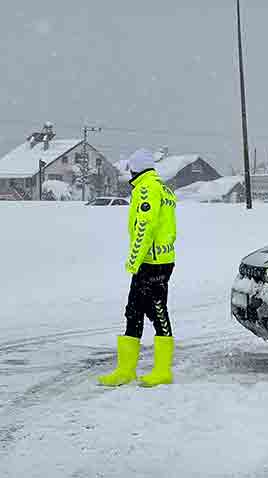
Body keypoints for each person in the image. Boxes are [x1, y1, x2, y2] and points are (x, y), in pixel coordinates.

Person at [98, 149, 178, 387]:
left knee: (156, 311)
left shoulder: (146, 189)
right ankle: (125, 370)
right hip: (161, 261)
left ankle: (161, 371)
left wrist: (134, 261)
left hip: (151, 263)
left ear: (135, 169)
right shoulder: (163, 188)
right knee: (134, 311)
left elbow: (145, 227)